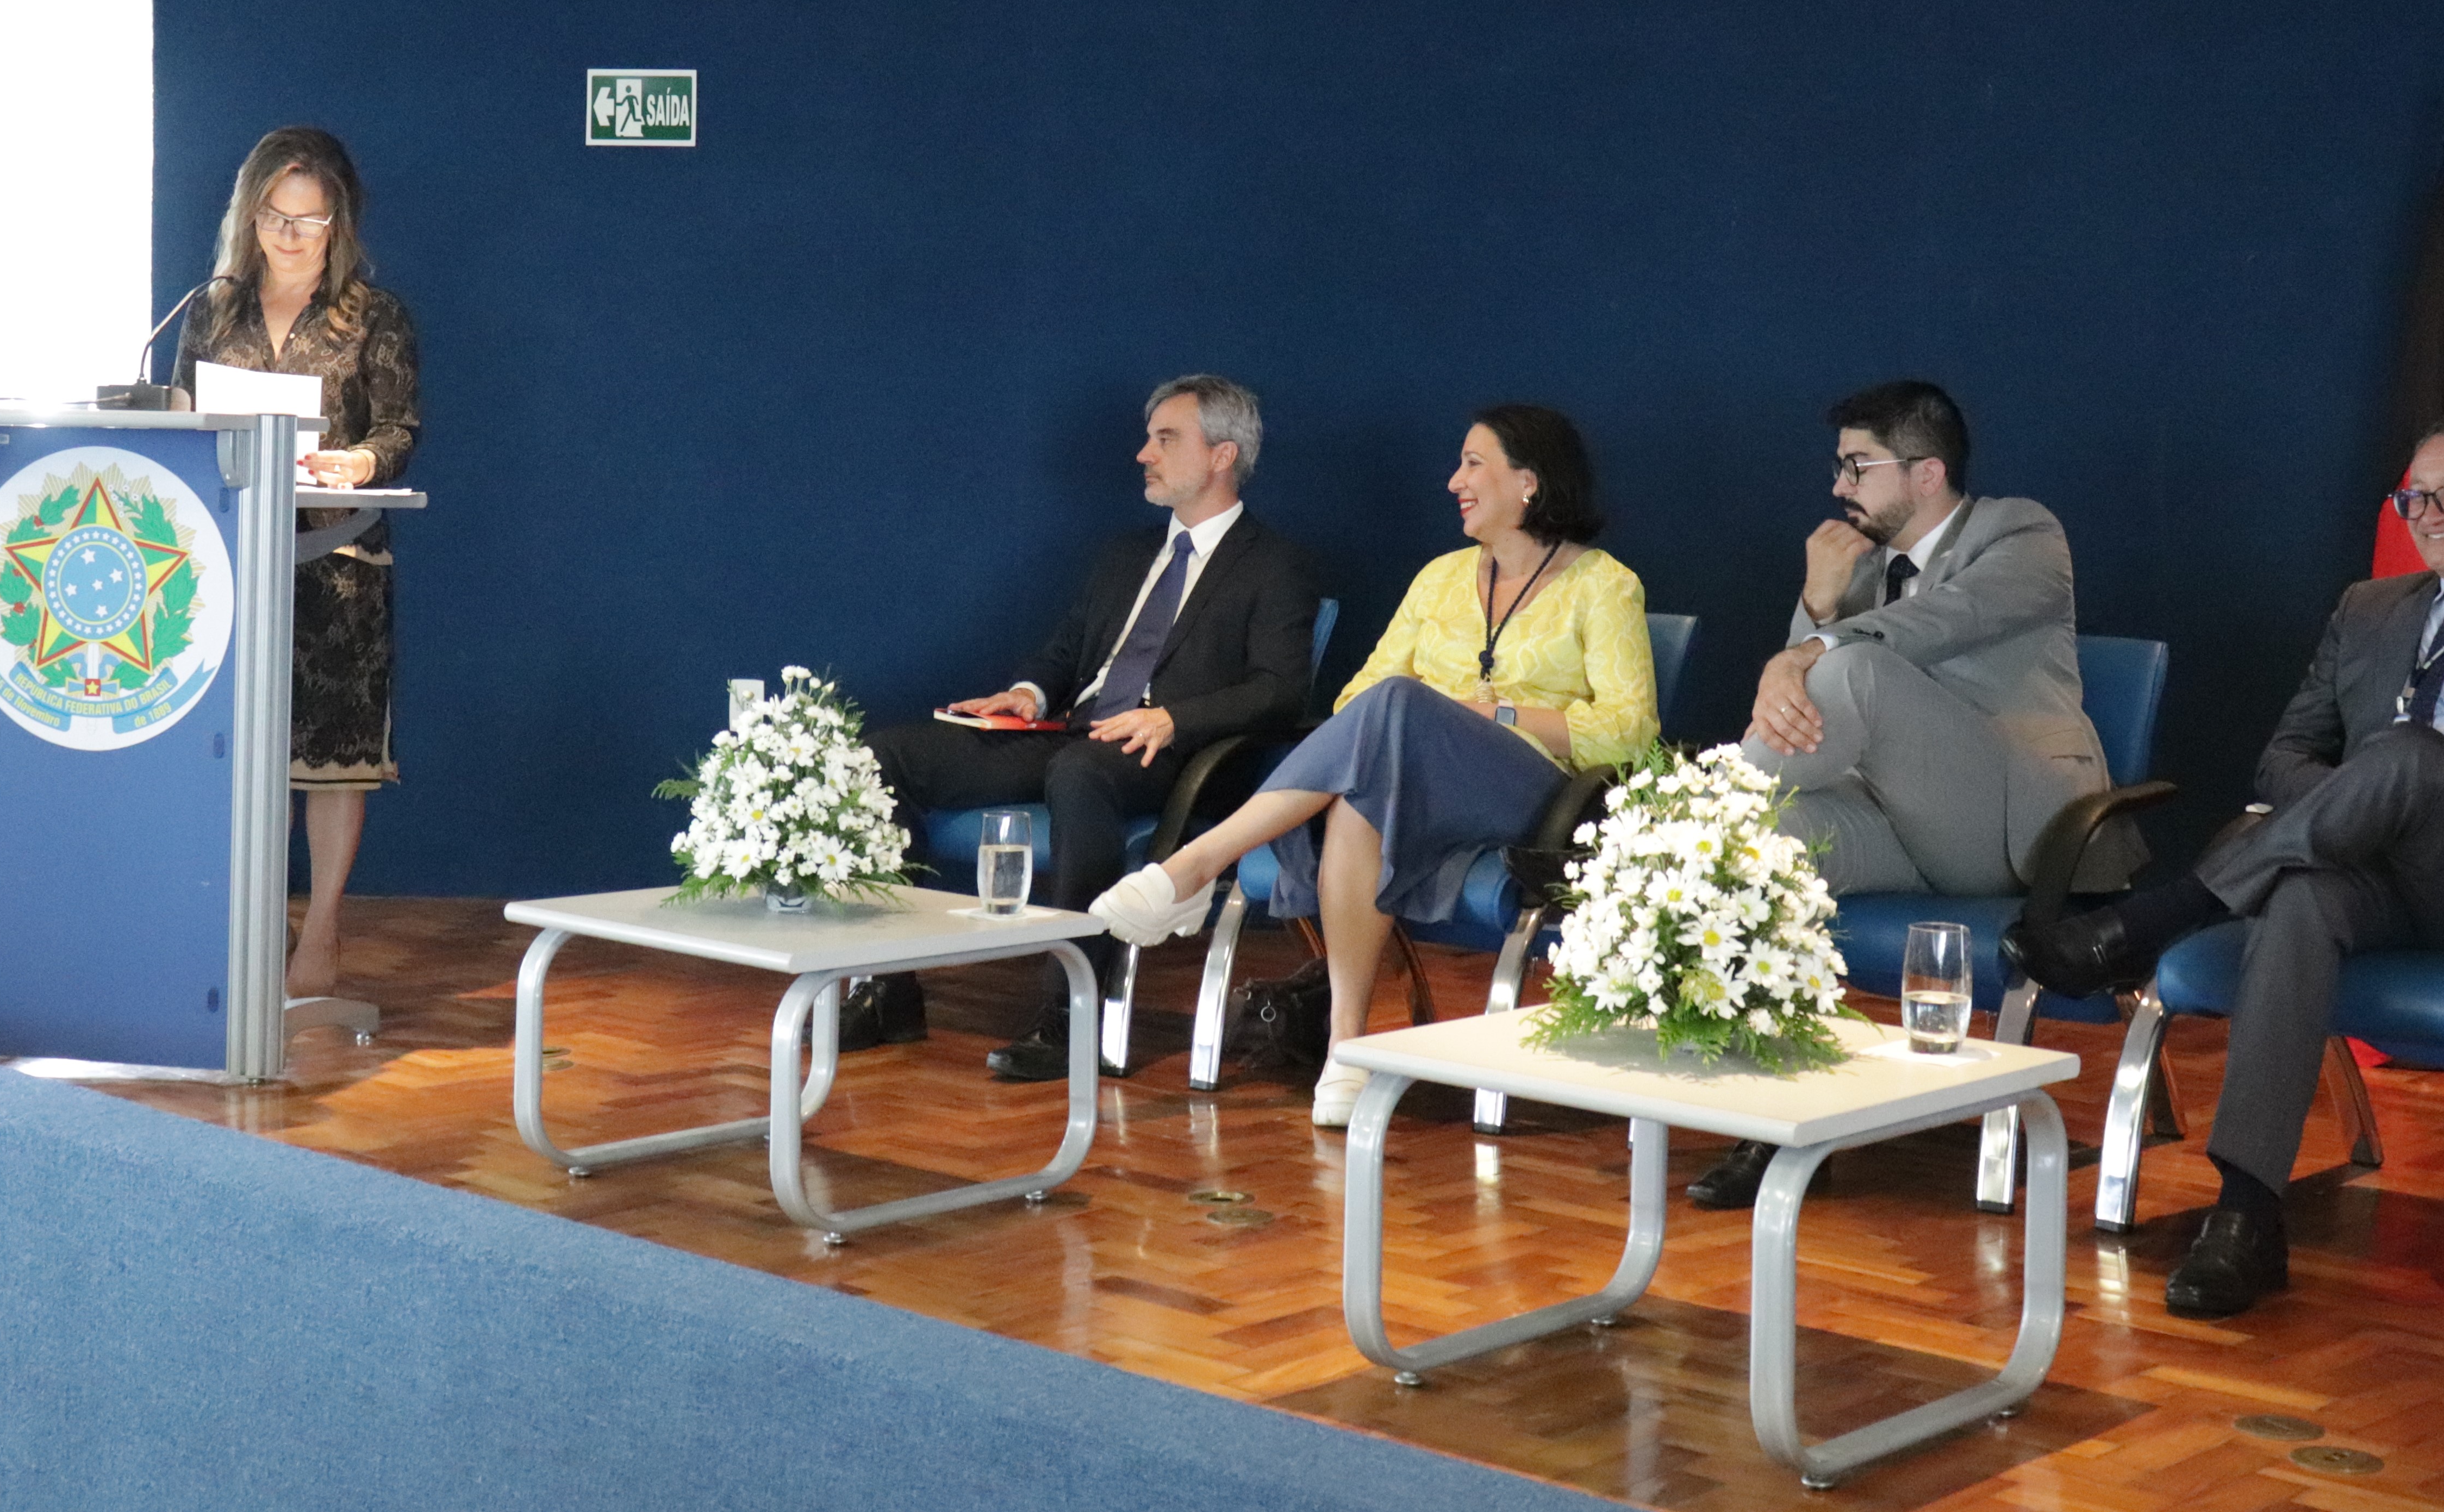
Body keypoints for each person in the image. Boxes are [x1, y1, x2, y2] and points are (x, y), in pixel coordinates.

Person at [2015, 408, 2444, 1317]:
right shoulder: (2369, 611)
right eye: (2414, 498)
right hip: (2372, 874)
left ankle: (2158, 917)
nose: (2427, 515)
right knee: (2306, 897)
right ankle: (2247, 1214)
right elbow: (2284, 759)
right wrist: (2368, 799)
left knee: (2408, 755)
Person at [1090, 405, 1657, 1128]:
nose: (1454, 481)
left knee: (1399, 705)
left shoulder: (1605, 584)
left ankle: (1196, 865)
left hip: (1533, 793)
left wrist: (1490, 716)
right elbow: (1357, 699)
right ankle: (1347, 1051)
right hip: (1412, 782)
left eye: (1473, 464)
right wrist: (1423, 719)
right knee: (1362, 793)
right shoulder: (1439, 579)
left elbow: (1627, 732)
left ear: (1529, 482)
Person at [1692, 379, 2117, 1210]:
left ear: (1927, 473)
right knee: (1764, 851)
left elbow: (1931, 627)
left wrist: (1811, 643)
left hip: (2013, 829)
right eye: (1839, 467)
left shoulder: (2023, 534)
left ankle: (1687, 826)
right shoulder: (1861, 571)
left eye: (1857, 467)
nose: (1838, 486)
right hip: (1899, 827)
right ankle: (1772, 1115)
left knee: (1850, 670)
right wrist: (1816, 602)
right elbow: (1797, 708)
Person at [862, 376, 1321, 1083]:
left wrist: (1174, 718)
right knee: (882, 757)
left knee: (1080, 773)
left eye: (1165, 439)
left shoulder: (1275, 564)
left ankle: (1070, 1011)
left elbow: (1280, 691)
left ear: (1222, 455)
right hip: (1073, 737)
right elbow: (1067, 652)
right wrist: (1026, 693)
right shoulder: (1125, 556)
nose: (1144, 454)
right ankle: (887, 988)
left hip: (1174, 755)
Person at [173, 126, 421, 1002]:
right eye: (275, 216)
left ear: (337, 224)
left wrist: (358, 461)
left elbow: (399, 431)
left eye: (309, 221)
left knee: (329, 761)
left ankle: (321, 932)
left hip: (337, 566)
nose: (289, 235)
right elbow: (181, 418)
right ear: (249, 217)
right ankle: (253, 923)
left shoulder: (374, 315)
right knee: (247, 756)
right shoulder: (212, 311)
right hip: (233, 562)